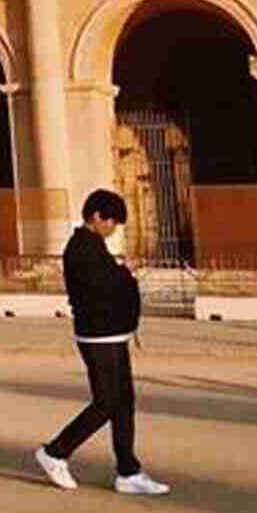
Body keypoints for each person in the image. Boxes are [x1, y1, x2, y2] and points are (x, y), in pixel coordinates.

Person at [35, 189, 169, 496]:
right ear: (96, 217)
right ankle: (55, 451)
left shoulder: (93, 245)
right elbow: (102, 288)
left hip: (110, 333)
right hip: (97, 335)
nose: (113, 229)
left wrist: (122, 276)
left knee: (123, 402)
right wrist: (126, 274)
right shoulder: (82, 248)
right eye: (111, 222)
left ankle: (128, 471)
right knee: (106, 401)